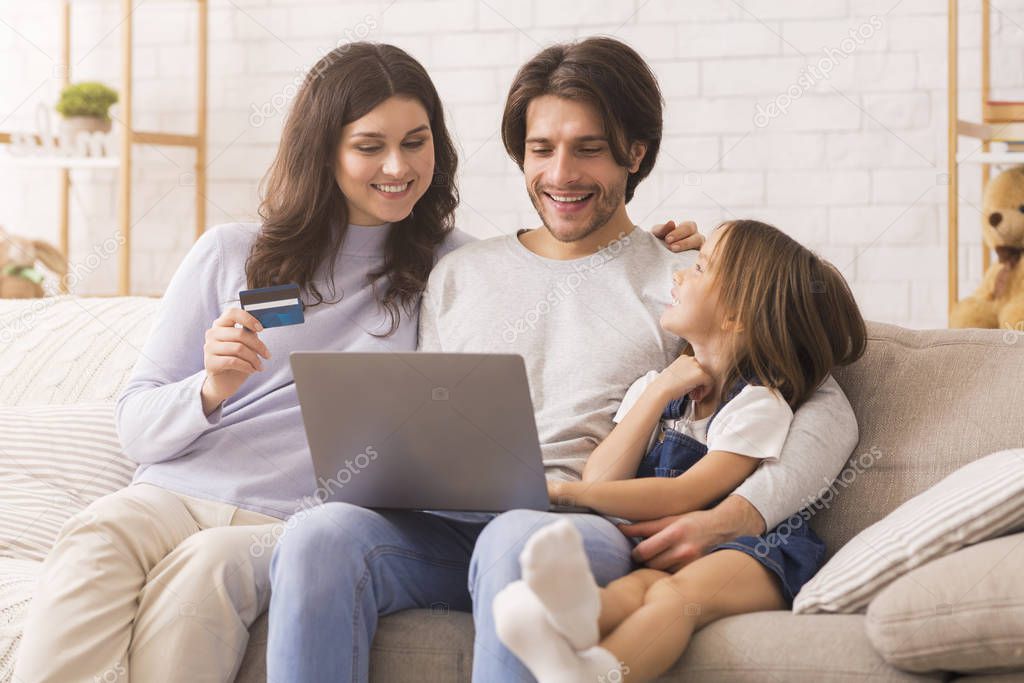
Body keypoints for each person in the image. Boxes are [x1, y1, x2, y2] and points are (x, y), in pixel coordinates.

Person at [266, 37, 859, 683]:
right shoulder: (459, 271)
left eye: (589, 149)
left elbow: (819, 399)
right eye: (541, 150)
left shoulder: (685, 281)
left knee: (515, 539)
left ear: (636, 152)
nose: (561, 175)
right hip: (442, 525)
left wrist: (738, 515)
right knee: (318, 534)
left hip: (576, 529)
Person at [493, 219, 867, 682]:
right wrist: (656, 393)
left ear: (737, 316)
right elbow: (601, 480)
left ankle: (597, 675)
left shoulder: (756, 402)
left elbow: (687, 494)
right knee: (635, 591)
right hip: (673, 549)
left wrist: (562, 494)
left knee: (674, 599)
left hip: (754, 552)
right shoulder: (659, 388)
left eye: (701, 267)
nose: (678, 275)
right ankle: (565, 627)